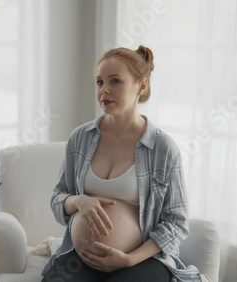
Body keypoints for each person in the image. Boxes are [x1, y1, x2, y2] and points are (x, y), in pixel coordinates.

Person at [41, 46, 205, 282]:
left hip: (142, 259)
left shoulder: (162, 148)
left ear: (142, 86)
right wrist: (78, 201)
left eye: (115, 81)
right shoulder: (80, 138)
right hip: (83, 257)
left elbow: (176, 223)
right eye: (99, 82)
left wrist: (129, 259)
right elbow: (58, 198)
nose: (104, 90)